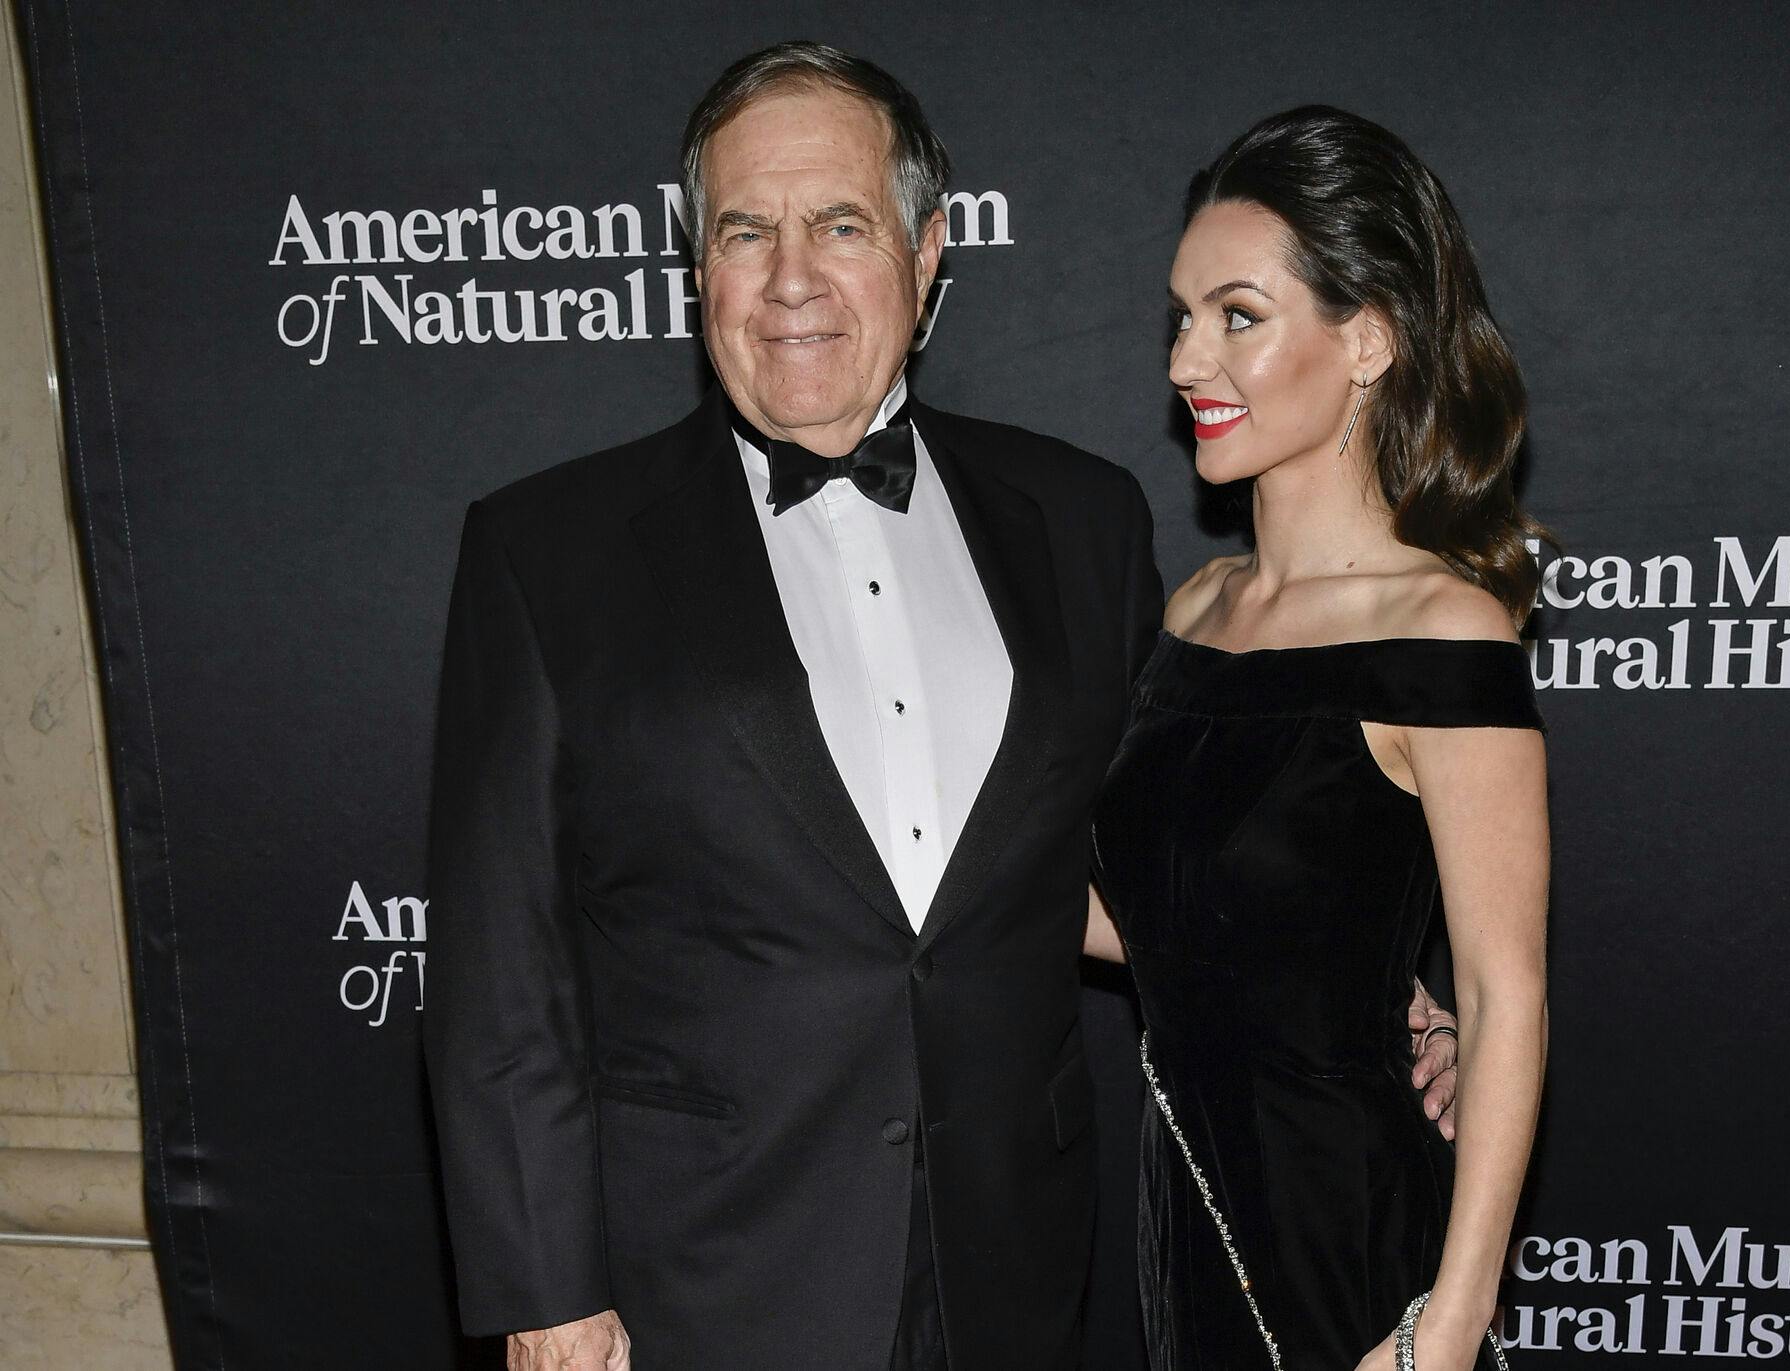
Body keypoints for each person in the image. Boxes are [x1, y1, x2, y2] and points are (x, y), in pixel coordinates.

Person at [424, 46, 1462, 1371]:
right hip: (697, 1280)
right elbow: (499, 968)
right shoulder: (547, 551)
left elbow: (1183, 842)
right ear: (699, 270)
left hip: (1009, 1266)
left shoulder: (1080, 520)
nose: (792, 277)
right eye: (747, 230)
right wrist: (548, 1291)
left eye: (841, 225)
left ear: (927, 257)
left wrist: (1385, 994)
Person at [1085, 107, 1550, 1371]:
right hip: (1189, 1200)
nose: (1188, 360)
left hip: (1350, 1234)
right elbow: (1140, 918)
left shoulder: (1443, 634)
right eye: (1182, 315)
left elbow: (1507, 994)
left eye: (1238, 315)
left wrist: (1445, 1329)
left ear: (1368, 339)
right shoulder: (1196, 610)